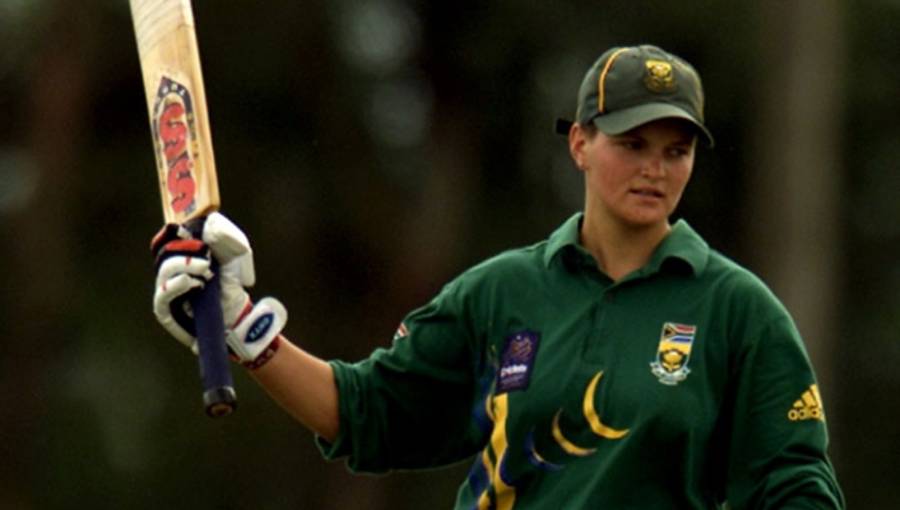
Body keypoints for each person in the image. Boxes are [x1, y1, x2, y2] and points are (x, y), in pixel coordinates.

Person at [151, 44, 845, 508]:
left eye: (677, 150)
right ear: (580, 143)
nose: (655, 169)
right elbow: (368, 413)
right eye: (633, 144)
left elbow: (795, 484)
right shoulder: (501, 293)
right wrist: (242, 328)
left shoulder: (736, 310)